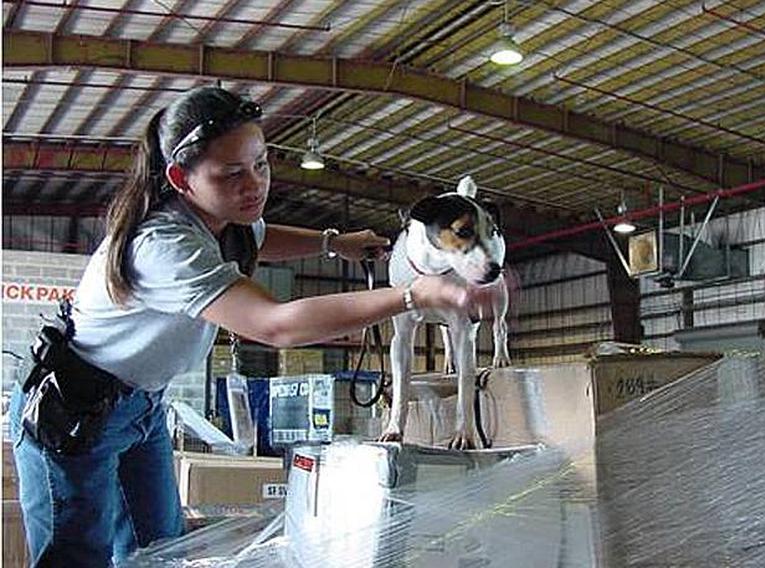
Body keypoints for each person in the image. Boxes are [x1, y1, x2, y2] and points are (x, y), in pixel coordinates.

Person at [9, 86, 479, 567]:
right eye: (232, 173)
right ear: (180, 178)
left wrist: (332, 242)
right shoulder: (163, 245)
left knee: (162, 551)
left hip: (141, 406)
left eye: (262, 164)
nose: (254, 184)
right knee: (77, 556)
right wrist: (409, 296)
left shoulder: (224, 217)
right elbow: (275, 325)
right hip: (76, 412)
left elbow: (261, 237)